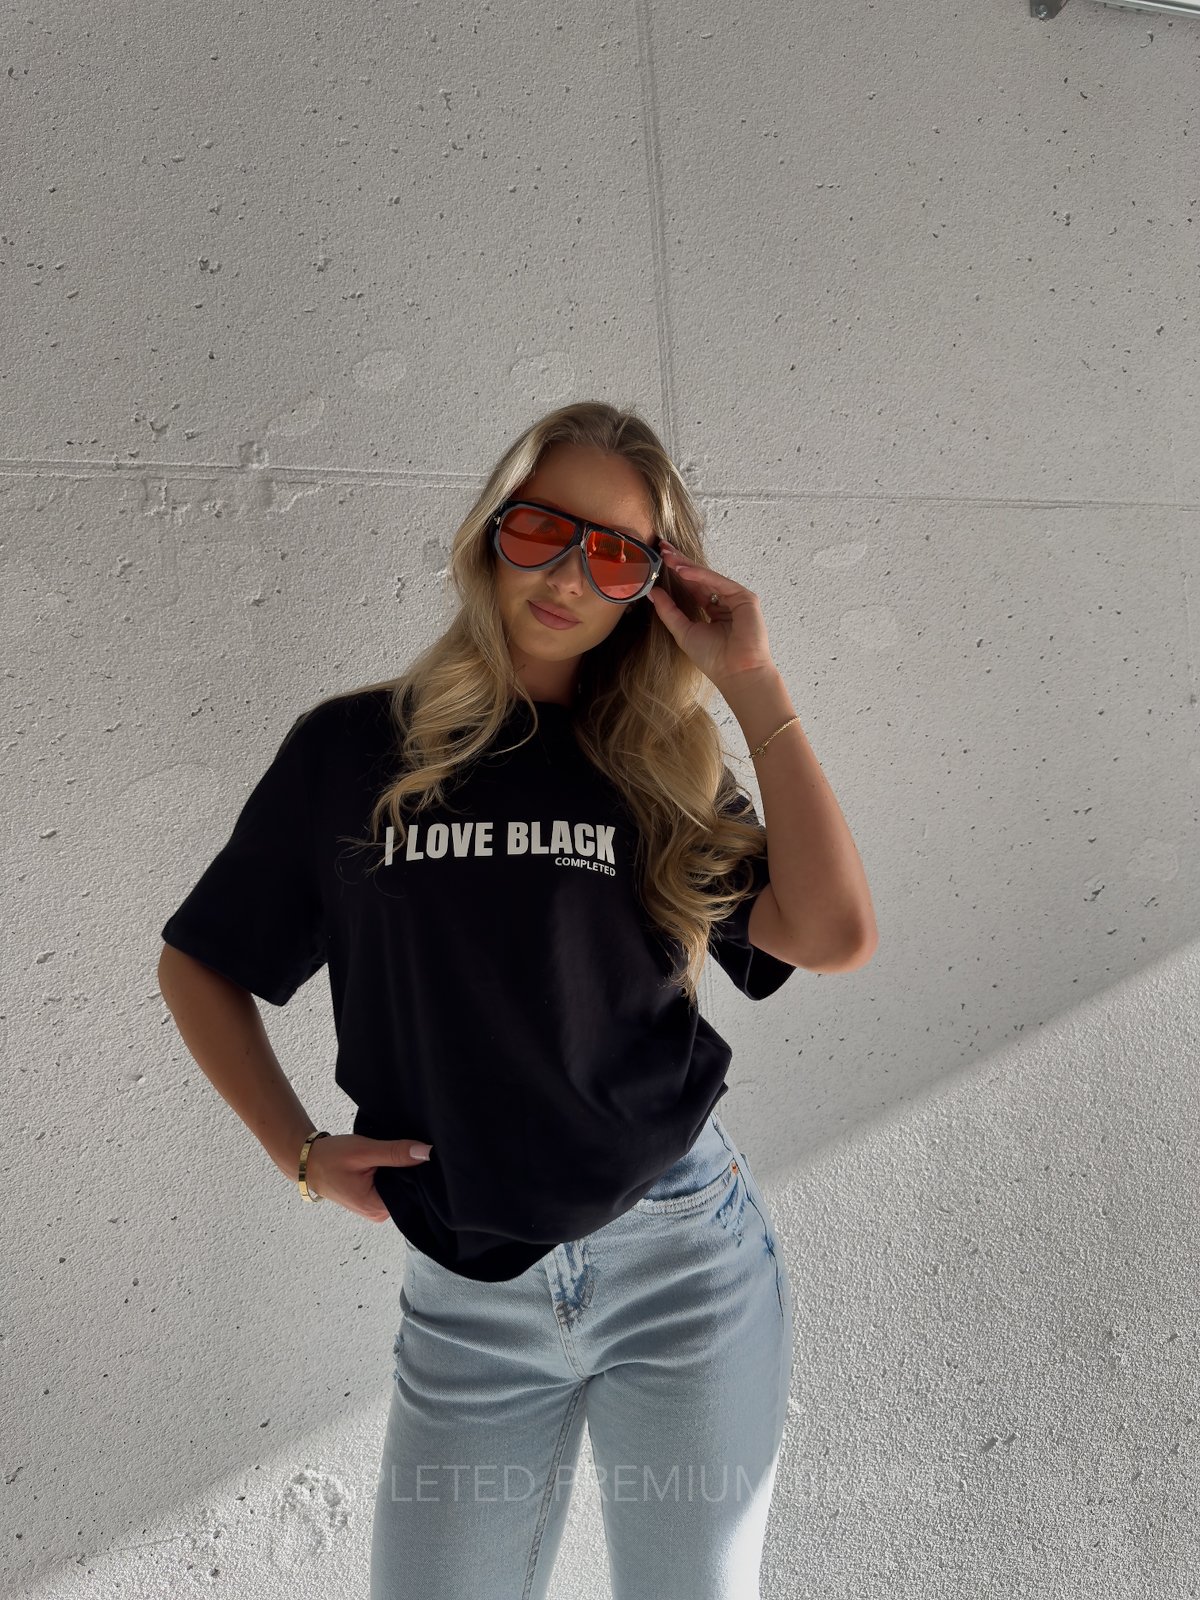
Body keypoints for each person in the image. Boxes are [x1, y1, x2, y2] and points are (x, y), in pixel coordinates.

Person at [157, 400, 877, 1599]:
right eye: (544, 528)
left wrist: (751, 681)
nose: (569, 574)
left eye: (617, 554)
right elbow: (200, 962)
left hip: (681, 1262)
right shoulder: (351, 751)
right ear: (494, 527)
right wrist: (301, 1152)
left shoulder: (657, 763)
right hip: (467, 1291)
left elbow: (833, 933)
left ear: (650, 587)